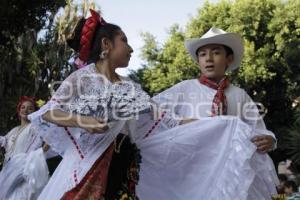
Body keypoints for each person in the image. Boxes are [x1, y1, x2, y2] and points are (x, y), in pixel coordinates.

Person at [153, 27, 276, 154]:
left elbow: (257, 128)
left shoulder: (240, 95)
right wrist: (180, 122)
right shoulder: (184, 88)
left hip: (228, 163)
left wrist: (269, 140)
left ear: (229, 59)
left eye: (216, 52)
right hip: (191, 163)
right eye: (202, 54)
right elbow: (150, 109)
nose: (209, 58)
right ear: (198, 61)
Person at [0, 96, 49, 200]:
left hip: (24, 171)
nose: (26, 110)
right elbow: (4, 141)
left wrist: (39, 153)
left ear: (35, 112)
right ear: (18, 110)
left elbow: (48, 136)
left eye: (30, 108)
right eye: (23, 107)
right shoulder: (14, 130)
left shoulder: (35, 127)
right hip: (8, 171)